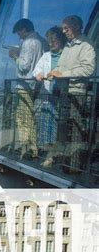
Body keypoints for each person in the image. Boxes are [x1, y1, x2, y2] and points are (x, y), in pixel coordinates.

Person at [47, 15, 96, 174]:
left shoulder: (86, 46)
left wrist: (64, 74)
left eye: (66, 28)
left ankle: (74, 168)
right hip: (65, 93)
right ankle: (63, 164)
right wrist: (54, 73)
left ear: (76, 27)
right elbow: (61, 67)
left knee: (75, 132)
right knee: (62, 131)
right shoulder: (68, 47)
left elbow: (88, 69)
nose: (63, 31)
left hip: (77, 94)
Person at [9, 18, 49, 159]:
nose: (19, 35)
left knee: (24, 117)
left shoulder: (27, 43)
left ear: (24, 29)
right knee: (33, 116)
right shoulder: (43, 41)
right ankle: (34, 147)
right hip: (39, 84)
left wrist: (15, 55)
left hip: (25, 85)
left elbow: (24, 66)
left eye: (19, 32)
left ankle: (29, 148)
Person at [32, 26, 67, 166]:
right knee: (48, 125)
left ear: (60, 40)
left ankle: (58, 155)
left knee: (61, 127)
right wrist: (38, 75)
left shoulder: (66, 55)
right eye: (49, 40)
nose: (51, 43)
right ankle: (49, 155)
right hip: (49, 95)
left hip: (63, 96)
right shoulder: (46, 56)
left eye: (54, 40)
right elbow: (36, 70)